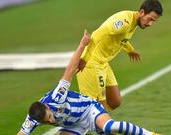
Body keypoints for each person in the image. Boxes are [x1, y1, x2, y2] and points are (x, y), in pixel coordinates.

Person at [17, 30, 161, 135]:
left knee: (108, 127)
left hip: (88, 110)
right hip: (73, 124)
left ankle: (149, 134)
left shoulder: (56, 97)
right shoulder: (34, 118)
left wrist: (82, 45)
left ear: (47, 107)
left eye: (49, 117)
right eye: (46, 122)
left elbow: (70, 70)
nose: (50, 122)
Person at [76, 0, 163, 112]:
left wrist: (130, 50)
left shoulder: (134, 22)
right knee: (97, 109)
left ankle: (95, 121)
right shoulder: (124, 22)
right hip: (92, 63)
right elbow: (97, 34)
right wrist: (85, 58)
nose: (150, 24)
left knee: (114, 101)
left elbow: (121, 38)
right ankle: (94, 123)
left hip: (103, 63)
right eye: (150, 19)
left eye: (154, 21)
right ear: (142, 12)